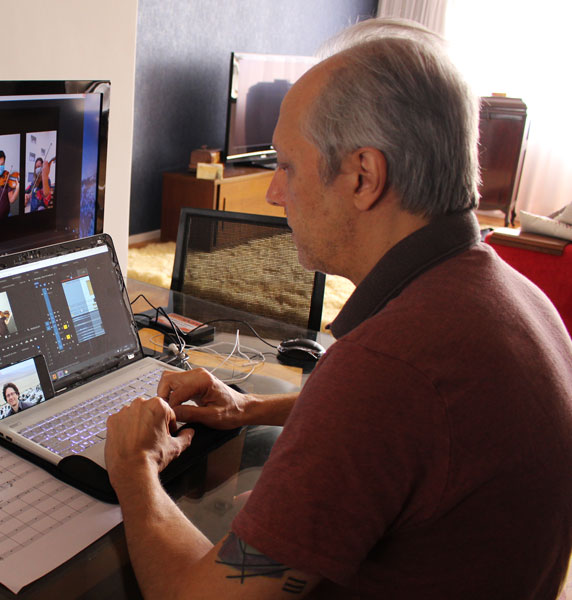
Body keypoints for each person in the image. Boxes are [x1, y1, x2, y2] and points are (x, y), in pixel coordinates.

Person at [104, 18, 572, 600]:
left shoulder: (385, 368)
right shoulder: (519, 298)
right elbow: (408, 431)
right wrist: (252, 407)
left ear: (363, 175)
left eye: (286, 165)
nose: (275, 192)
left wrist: (133, 473)